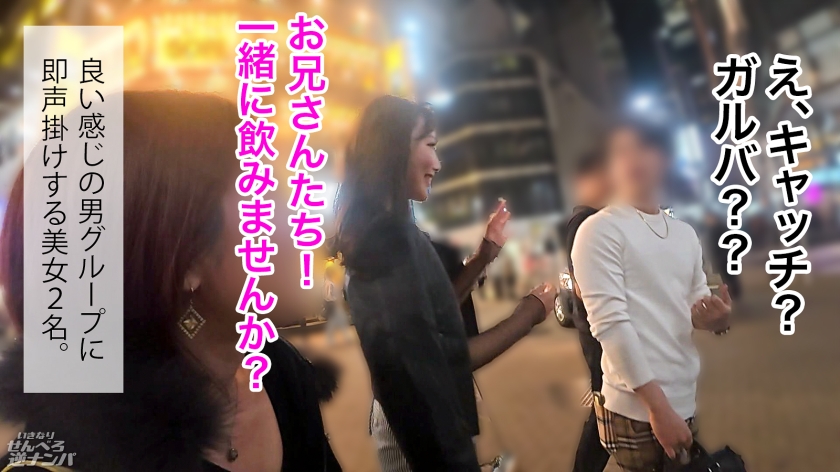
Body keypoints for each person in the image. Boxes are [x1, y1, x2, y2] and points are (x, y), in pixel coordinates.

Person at [0, 91, 341, 472]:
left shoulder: (279, 373)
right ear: (186, 258)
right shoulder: (66, 459)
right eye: (270, 197)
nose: (311, 223)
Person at [335, 95, 556, 472]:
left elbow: (431, 321)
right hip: (416, 429)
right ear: (394, 149)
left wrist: (484, 255)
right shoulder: (388, 245)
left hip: (417, 420)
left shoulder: (394, 234)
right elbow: (440, 358)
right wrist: (528, 315)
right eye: (430, 145)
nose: (437, 163)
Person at [571, 121, 732, 472]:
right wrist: (657, 408)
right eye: (621, 151)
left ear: (665, 159)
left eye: (644, 147)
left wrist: (716, 319)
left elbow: (695, 300)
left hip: (683, 393)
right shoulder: (598, 230)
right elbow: (611, 326)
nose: (633, 158)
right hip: (635, 407)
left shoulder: (684, 233)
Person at [562, 149, 612, 472]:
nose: (610, 184)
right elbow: (585, 287)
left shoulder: (592, 220)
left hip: (600, 333)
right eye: (603, 176)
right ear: (584, 181)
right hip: (600, 335)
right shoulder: (584, 223)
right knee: (605, 408)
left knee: (606, 409)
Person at [323, 262, 350, 347]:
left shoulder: (328, 283)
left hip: (333, 304)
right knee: (337, 321)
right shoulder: (329, 283)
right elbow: (329, 296)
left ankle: (344, 337)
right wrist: (336, 300)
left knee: (339, 320)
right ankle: (336, 338)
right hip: (334, 304)